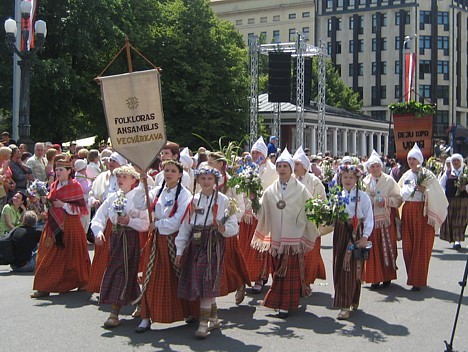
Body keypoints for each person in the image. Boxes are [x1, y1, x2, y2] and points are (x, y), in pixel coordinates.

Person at [251, 149, 319, 318]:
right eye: (279, 166)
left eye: (285, 166)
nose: (282, 169)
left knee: (289, 272)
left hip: (293, 240)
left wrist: (313, 222)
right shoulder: (270, 190)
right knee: (277, 271)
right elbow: (261, 212)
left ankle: (286, 305)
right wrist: (253, 200)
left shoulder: (301, 189)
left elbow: (310, 209)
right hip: (277, 238)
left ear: (290, 169)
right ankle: (281, 303)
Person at [133, 160, 197, 333]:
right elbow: (138, 202)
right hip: (156, 241)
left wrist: (158, 224)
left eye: (173, 171)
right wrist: (142, 181)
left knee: (178, 277)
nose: (168, 173)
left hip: (174, 240)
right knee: (150, 277)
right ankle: (146, 317)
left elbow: (177, 222)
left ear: (180, 174)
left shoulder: (185, 195)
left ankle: (188, 311)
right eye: (166, 170)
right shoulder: (158, 190)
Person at [175, 166, 238, 338]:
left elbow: (234, 226)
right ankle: (214, 318)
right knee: (202, 280)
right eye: (203, 179)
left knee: (206, 278)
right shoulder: (194, 200)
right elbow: (186, 226)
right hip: (195, 242)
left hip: (213, 242)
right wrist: (180, 250)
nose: (206, 182)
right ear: (198, 181)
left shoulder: (223, 200)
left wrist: (224, 227)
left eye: (210, 179)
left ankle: (203, 323)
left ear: (215, 181)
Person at [91, 165, 149, 328]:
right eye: (119, 176)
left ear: (133, 180)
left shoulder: (138, 197)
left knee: (119, 271)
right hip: (115, 238)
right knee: (125, 272)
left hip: (130, 238)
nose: (120, 179)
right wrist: (98, 232)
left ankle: (114, 313)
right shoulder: (112, 197)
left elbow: (146, 223)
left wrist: (130, 221)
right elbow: (99, 217)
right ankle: (140, 303)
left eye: (125, 176)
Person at [31, 159, 91, 298]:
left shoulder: (75, 186)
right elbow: (51, 204)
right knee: (47, 254)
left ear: (69, 171)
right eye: (56, 170)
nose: (58, 173)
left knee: (73, 256)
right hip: (53, 224)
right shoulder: (53, 185)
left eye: (61, 170)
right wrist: (46, 201)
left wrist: (63, 205)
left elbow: (81, 209)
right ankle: (44, 286)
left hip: (70, 224)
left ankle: (80, 282)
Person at [398, 144, 448, 291]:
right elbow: (398, 191)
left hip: (422, 212)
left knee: (421, 246)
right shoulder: (406, 175)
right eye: (409, 159)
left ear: (419, 159)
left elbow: (439, 196)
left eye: (414, 159)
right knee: (408, 246)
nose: (411, 161)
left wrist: (424, 190)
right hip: (408, 212)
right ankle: (411, 276)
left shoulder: (428, 175)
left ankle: (418, 280)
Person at [208, 151, 250, 305]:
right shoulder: (206, 181)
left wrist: (230, 222)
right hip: (210, 229)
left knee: (229, 262)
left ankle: (239, 282)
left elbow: (239, 205)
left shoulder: (231, 182)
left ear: (220, 164)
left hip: (226, 229)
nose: (208, 166)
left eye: (211, 163)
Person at [332, 164, 373, 320]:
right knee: (339, 265)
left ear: (357, 179)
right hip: (340, 232)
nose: (347, 180)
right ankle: (346, 299)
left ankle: (346, 304)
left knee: (350, 266)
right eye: (345, 177)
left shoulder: (362, 196)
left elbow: (369, 217)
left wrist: (365, 236)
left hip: (356, 232)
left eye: (351, 177)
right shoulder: (337, 195)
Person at [239, 136, 276, 294]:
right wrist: (247, 206)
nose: (255, 156)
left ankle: (260, 277)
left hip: (263, 214)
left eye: (258, 153)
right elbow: (242, 191)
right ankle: (247, 274)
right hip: (248, 214)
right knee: (245, 247)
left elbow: (272, 192)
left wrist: (257, 202)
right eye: (253, 153)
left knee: (260, 248)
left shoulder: (272, 171)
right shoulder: (249, 169)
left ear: (265, 154)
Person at [363, 150, 402, 289]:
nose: (375, 169)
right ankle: (375, 277)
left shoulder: (389, 180)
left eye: (377, 166)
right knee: (373, 249)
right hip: (371, 220)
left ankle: (387, 276)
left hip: (386, 220)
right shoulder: (365, 181)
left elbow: (398, 199)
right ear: (368, 168)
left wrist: (385, 201)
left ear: (381, 167)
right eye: (372, 166)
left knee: (387, 246)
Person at [293, 146, 327, 294]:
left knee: (310, 255)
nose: (294, 167)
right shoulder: (290, 180)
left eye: (297, 164)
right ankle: (297, 282)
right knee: (295, 256)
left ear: (305, 166)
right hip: (293, 224)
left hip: (310, 224)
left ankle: (306, 282)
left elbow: (322, 202)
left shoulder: (314, 181)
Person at [439, 153, 468, 249]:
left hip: (463, 201)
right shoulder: (448, 172)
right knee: (451, 220)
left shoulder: (466, 172)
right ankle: (453, 238)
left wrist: (465, 187)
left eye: (457, 160)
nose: (455, 162)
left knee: (460, 220)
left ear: (461, 162)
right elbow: (441, 185)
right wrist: (443, 195)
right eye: (454, 161)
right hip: (450, 200)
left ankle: (457, 240)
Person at [74, 159, 92, 233]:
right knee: (85, 221)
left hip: (82, 202)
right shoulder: (81, 178)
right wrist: (92, 183)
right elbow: (86, 189)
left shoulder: (78, 177)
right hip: (84, 202)